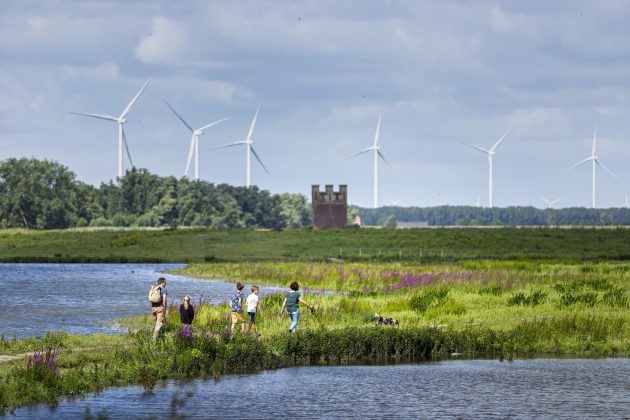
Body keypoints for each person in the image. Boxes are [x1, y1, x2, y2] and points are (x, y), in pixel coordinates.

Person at [151, 277, 167, 342]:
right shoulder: (163, 290)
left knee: (157, 324)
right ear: (161, 282)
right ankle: (154, 342)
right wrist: (165, 309)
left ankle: (158, 338)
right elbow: (164, 300)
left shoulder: (154, 289)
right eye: (165, 282)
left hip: (154, 308)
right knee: (158, 325)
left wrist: (153, 308)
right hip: (160, 309)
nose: (166, 283)